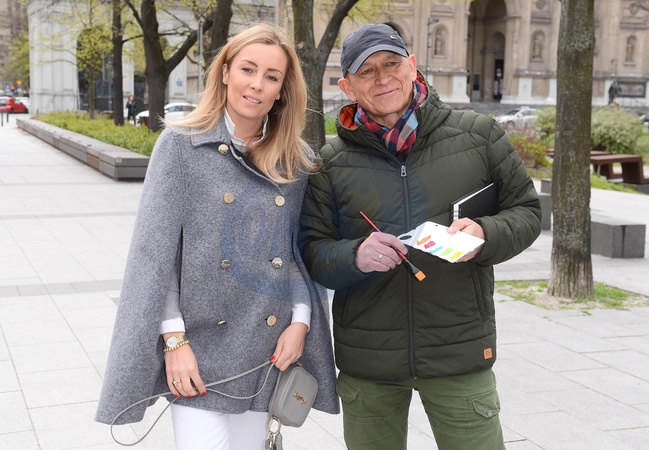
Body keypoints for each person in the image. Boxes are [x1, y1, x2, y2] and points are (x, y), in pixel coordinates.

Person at [298, 24, 541, 450]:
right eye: (367, 71)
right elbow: (312, 251)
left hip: (458, 352)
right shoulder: (330, 163)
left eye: (392, 64)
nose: (383, 78)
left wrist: (485, 233)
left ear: (412, 66)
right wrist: (354, 256)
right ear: (347, 86)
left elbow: (527, 211)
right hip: (369, 361)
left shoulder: (479, 136)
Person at [96, 23, 339, 449]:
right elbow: (155, 257)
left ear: (282, 91)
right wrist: (174, 341)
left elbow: (300, 252)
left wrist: (301, 322)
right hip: (199, 346)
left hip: (267, 343)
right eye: (247, 69)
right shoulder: (180, 146)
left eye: (271, 76)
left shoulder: (296, 160)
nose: (257, 84)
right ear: (225, 72)